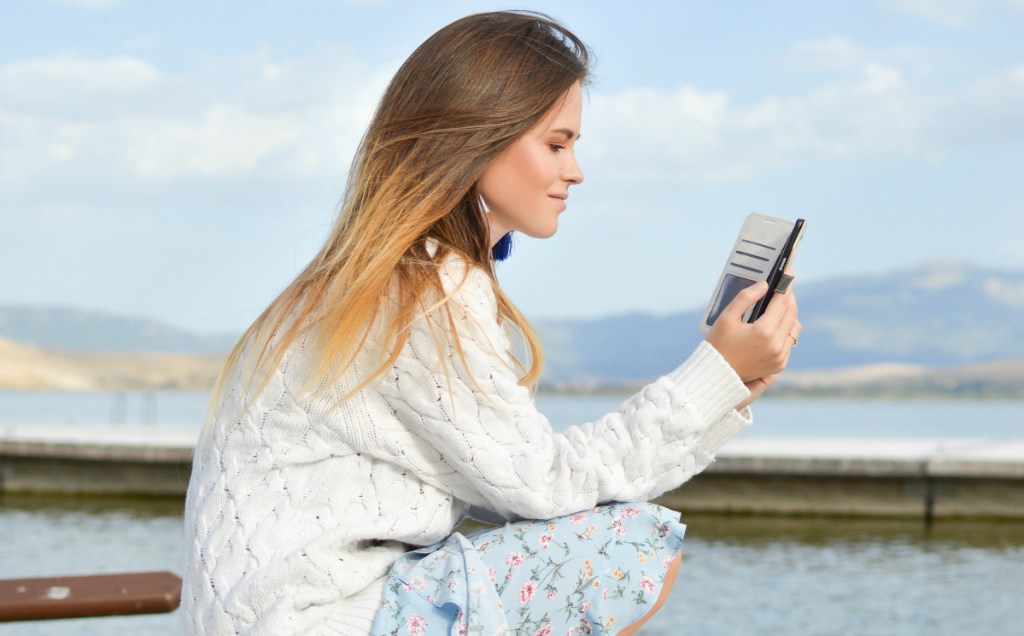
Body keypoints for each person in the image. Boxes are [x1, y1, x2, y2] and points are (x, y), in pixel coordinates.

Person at [182, 10, 801, 635]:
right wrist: (715, 373)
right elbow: (545, 487)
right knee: (632, 546)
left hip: (276, 617)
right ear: (476, 139)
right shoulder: (427, 288)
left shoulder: (368, 278)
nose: (575, 171)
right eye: (556, 144)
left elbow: (510, 486)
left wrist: (727, 386)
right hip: (324, 621)